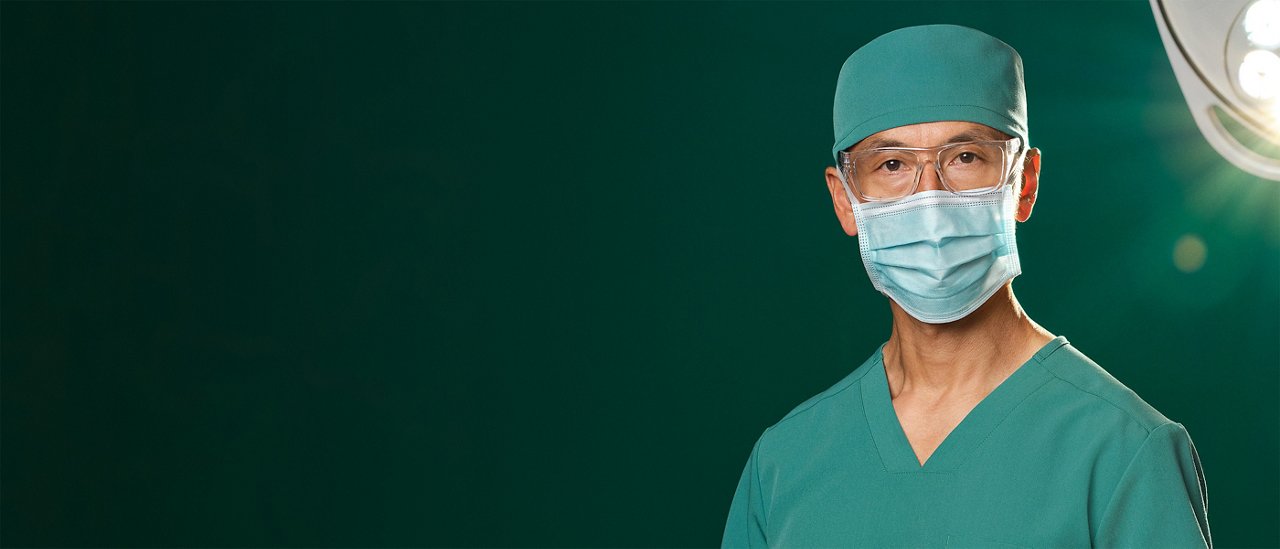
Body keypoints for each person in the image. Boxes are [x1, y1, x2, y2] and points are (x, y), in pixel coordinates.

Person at [720, 25, 1211, 548]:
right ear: (845, 200)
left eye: (965, 158)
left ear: (1023, 183)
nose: (929, 200)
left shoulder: (1123, 449)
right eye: (892, 164)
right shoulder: (786, 463)